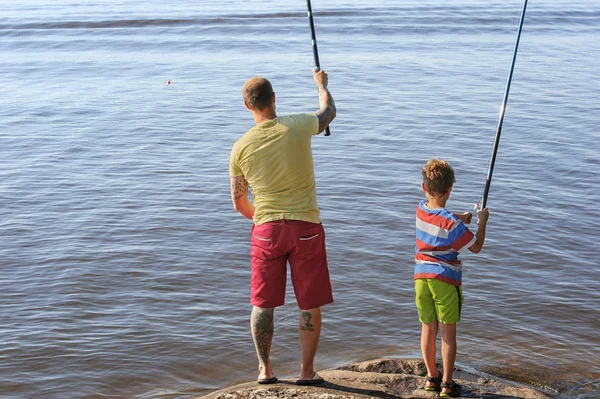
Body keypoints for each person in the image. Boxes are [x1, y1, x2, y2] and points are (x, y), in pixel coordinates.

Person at [229, 68, 336, 385]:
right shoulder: (298, 124)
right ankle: (306, 372)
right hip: (306, 228)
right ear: (274, 99)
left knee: (262, 302)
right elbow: (329, 112)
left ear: (247, 106)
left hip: (266, 231)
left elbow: (238, 203)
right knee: (309, 302)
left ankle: (265, 370)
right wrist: (321, 85)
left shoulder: (240, 148)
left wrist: (264, 219)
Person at [414, 159, 489, 397]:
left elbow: (437, 214)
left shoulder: (420, 209)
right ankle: (447, 383)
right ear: (450, 189)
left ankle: (430, 378)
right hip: (445, 280)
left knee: (428, 329)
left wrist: (461, 216)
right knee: (448, 332)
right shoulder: (452, 225)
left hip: (421, 277)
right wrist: (481, 222)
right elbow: (475, 247)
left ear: (424, 187)